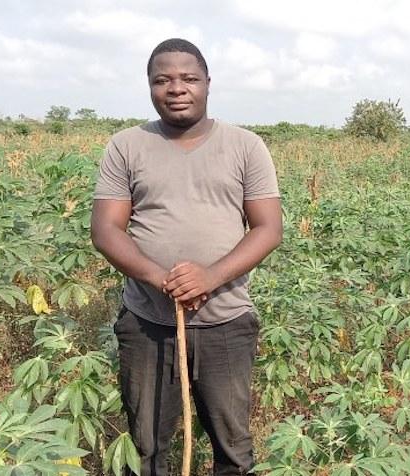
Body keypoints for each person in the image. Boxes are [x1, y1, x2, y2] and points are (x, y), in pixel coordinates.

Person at [90, 37, 282, 475]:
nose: (176, 88)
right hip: (148, 323)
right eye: (163, 80)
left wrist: (210, 277)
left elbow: (269, 228)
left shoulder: (246, 146)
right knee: (146, 445)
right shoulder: (126, 145)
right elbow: (105, 229)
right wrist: (163, 279)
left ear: (208, 84)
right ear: (150, 88)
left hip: (226, 322)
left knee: (232, 446)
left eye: (188, 78)